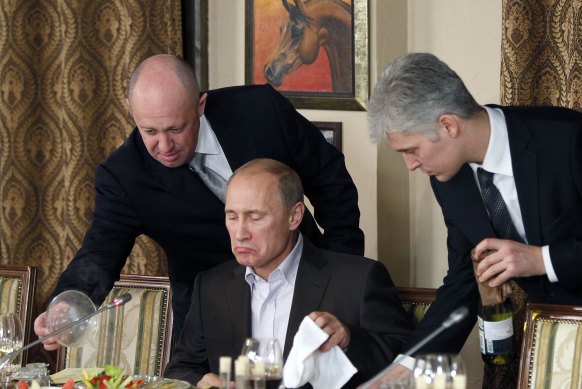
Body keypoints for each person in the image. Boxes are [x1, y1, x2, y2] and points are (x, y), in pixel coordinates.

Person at [34, 54, 365, 349]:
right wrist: (67, 305)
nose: (164, 146)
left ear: (200, 105)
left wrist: (340, 273)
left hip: (305, 289)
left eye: (176, 128)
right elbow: (98, 255)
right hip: (211, 318)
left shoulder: (260, 111)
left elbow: (330, 180)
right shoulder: (124, 176)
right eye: (149, 131)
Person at [366, 52, 582, 386]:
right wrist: (404, 368)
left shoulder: (568, 138)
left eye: (411, 150)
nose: (410, 165)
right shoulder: (448, 181)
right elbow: (463, 282)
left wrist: (541, 259)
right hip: (551, 354)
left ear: (448, 125)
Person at [164, 158, 412, 389]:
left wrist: (348, 338)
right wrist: (204, 381)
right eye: (232, 216)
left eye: (255, 217)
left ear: (294, 216)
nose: (240, 233)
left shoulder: (358, 280)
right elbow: (181, 368)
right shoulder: (212, 286)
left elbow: (407, 358)